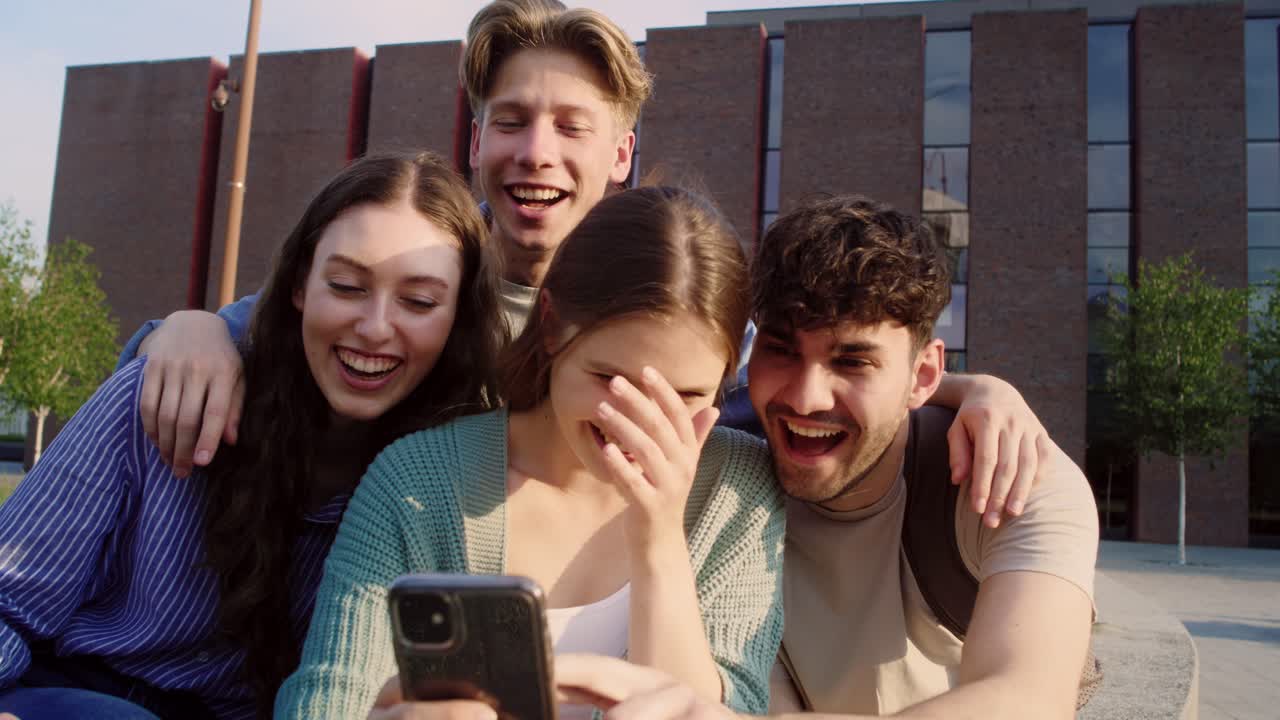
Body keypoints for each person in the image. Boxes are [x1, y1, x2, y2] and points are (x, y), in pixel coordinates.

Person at [118, 0, 1054, 523]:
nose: (537, 153)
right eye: (512, 122)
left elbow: (792, 370)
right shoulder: (421, 271)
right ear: (477, 140)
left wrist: (972, 392)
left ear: (621, 154)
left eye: (573, 127)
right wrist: (188, 329)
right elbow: (289, 321)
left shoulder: (674, 301)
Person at [550, 196, 1100, 720]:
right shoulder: (718, 464)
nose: (806, 397)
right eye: (782, 350)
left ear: (924, 376)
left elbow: (1027, 701)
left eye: (853, 361)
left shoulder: (1011, 479)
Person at [0, 151, 505, 720]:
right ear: (298, 286)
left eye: (419, 301)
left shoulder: (443, 483)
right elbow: (8, 596)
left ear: (457, 317)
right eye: (345, 285)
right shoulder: (167, 393)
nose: (374, 327)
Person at [275, 187, 785, 720]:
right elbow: (327, 699)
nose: (638, 423)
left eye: (685, 398)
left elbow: (719, 711)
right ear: (550, 325)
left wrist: (658, 536)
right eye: (610, 379)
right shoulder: (419, 481)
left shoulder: (738, 489)